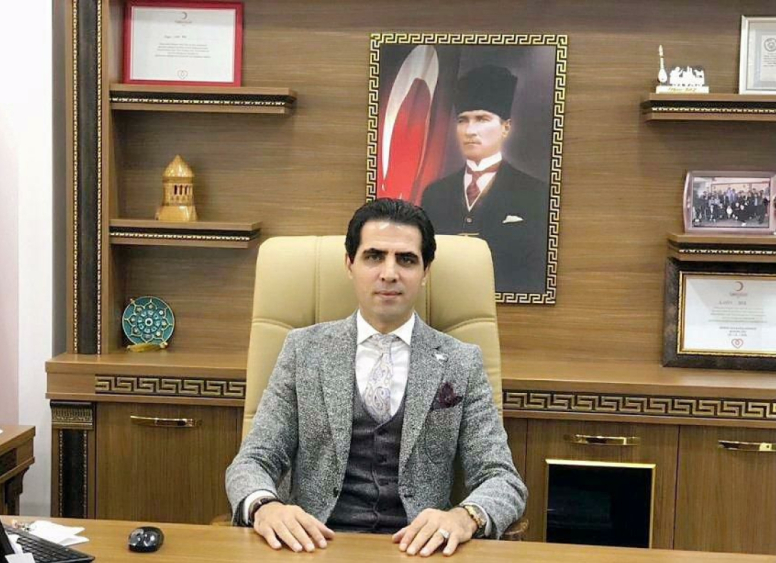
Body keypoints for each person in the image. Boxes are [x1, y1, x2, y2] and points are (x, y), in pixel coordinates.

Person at [225, 199, 527, 557]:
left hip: (421, 551)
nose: (389, 273)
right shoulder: (303, 351)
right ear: (349, 264)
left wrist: (465, 517)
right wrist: (265, 507)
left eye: (406, 259)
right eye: (374, 256)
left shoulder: (462, 362)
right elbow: (253, 461)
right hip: (313, 546)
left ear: (425, 271)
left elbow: (502, 479)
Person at [420, 65, 549, 296]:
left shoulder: (535, 193)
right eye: (463, 120)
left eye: (482, 119)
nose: (470, 130)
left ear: (505, 127)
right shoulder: (435, 194)